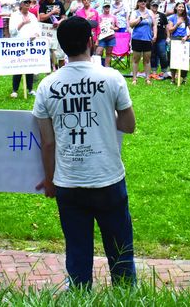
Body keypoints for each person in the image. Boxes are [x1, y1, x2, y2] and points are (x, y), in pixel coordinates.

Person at [33, 15, 137, 289]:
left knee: (77, 251)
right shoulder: (112, 78)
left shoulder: (46, 86)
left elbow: (48, 142)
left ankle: (79, 296)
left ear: (61, 46)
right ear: (91, 42)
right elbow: (129, 125)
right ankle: (127, 297)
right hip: (108, 177)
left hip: (68, 181)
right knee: (120, 250)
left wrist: (50, 179)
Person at [8, 0, 39, 97]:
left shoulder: (33, 16)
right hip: (18, 45)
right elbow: (12, 31)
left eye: (29, 3)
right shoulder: (14, 16)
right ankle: (15, 90)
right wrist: (23, 23)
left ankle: (30, 89)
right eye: (25, 3)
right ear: (21, 4)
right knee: (18, 67)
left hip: (30, 45)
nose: (28, 4)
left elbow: (37, 30)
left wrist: (36, 35)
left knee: (29, 67)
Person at [128, 0, 156, 85]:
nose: (143, 2)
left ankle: (147, 79)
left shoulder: (150, 12)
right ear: (138, 3)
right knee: (136, 59)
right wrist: (140, 18)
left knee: (147, 60)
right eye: (141, 1)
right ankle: (134, 79)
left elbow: (154, 25)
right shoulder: (134, 12)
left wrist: (155, 35)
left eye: (145, 1)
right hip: (137, 39)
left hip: (147, 39)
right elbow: (131, 24)